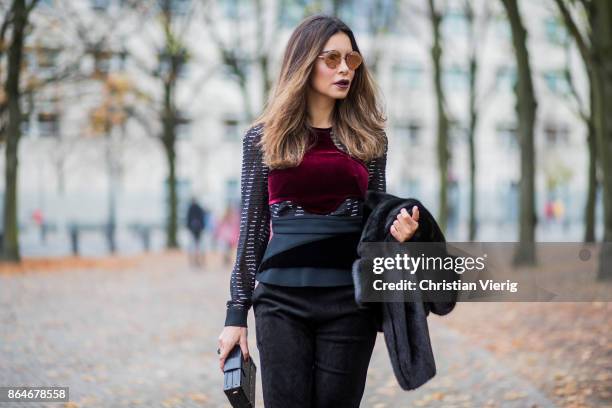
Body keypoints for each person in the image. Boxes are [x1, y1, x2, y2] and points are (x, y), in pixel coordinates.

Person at [217, 15, 420, 408]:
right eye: (332, 58)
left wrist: (399, 232)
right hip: (279, 303)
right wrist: (235, 315)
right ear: (304, 62)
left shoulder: (370, 140)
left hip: (349, 303)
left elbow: (372, 225)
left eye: (352, 59)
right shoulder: (261, 138)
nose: (345, 68)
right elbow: (253, 231)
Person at [186, 197, 207, 267]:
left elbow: (188, 220)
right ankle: (198, 260)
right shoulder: (199, 208)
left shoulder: (190, 208)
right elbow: (202, 219)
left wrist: (189, 227)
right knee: (199, 246)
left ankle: (195, 260)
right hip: (198, 230)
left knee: (193, 246)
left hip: (194, 230)